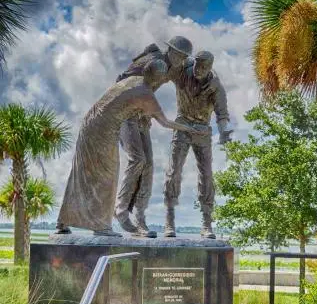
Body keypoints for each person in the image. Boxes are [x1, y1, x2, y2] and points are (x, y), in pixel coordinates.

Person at [56, 60, 205, 236]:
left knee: (81, 174)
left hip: (90, 122)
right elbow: (165, 123)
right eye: (164, 77)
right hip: (104, 130)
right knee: (107, 175)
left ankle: (62, 222)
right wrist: (190, 128)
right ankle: (101, 226)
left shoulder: (134, 79)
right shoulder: (146, 95)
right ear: (157, 78)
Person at [114, 36, 193, 238]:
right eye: (180, 55)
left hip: (142, 117)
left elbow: (189, 72)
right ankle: (121, 210)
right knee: (137, 159)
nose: (182, 59)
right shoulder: (150, 61)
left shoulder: (175, 67)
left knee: (148, 165)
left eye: (185, 57)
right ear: (171, 51)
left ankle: (139, 218)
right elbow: (121, 82)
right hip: (126, 114)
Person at [164, 51, 233, 239]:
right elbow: (166, 65)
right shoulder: (182, 72)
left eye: (203, 67)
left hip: (203, 131)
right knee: (174, 171)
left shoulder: (215, 86)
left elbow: (222, 114)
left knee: (207, 175)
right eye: (197, 65)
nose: (198, 70)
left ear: (210, 67)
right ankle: (169, 220)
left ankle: (206, 223)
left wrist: (224, 132)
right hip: (182, 125)